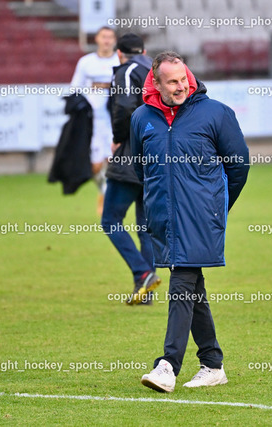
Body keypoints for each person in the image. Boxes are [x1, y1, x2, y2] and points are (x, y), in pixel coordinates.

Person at [131, 51, 249, 392]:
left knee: (182, 282)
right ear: (156, 82)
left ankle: (167, 366)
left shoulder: (216, 114)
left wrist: (216, 207)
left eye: (183, 78)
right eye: (172, 81)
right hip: (163, 219)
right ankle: (212, 363)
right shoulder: (142, 118)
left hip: (200, 217)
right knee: (192, 286)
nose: (181, 85)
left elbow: (239, 166)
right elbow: (142, 169)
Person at [101, 33, 158, 305]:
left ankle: (143, 272)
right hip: (157, 157)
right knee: (145, 226)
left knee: (110, 220)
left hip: (131, 156)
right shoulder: (156, 70)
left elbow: (124, 107)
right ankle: (144, 289)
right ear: (144, 50)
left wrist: (118, 138)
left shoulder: (127, 71)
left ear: (119, 53)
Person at [70, 26, 120, 215]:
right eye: (103, 36)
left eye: (110, 37)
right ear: (97, 39)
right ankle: (103, 191)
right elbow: (75, 89)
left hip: (113, 121)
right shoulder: (86, 63)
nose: (107, 40)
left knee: (112, 161)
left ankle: (107, 200)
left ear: (114, 41)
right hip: (93, 122)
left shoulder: (119, 62)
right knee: (94, 165)